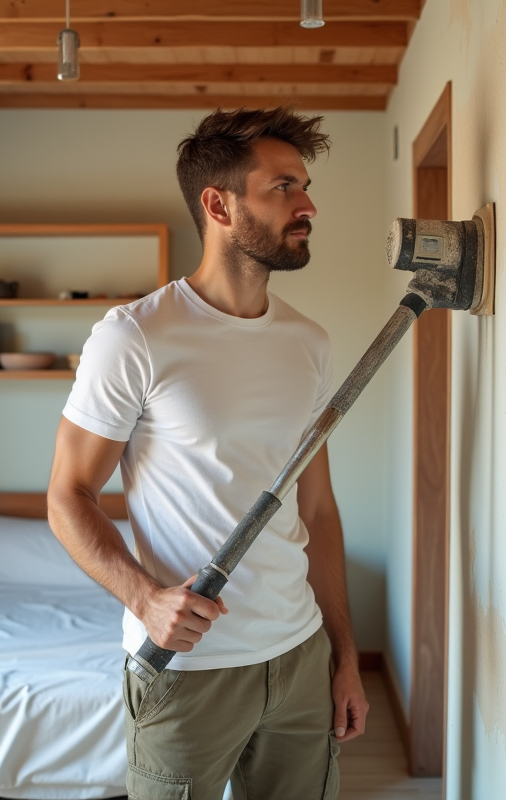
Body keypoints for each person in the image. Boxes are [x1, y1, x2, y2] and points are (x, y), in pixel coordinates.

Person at [46, 106, 368, 800]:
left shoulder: (309, 344)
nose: (307, 204)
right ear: (218, 204)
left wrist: (344, 655)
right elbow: (66, 497)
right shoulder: (135, 336)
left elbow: (319, 509)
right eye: (283, 186)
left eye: (305, 186)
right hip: (188, 671)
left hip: (299, 656)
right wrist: (144, 599)